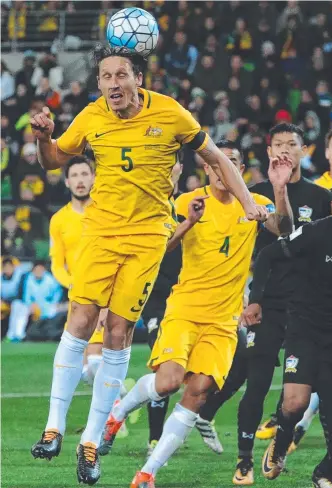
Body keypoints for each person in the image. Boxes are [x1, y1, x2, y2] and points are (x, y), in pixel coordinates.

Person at [30, 45, 267, 486]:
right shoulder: (90, 116)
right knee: (80, 320)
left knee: (119, 332)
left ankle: (92, 440)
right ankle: (54, 427)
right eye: (105, 77)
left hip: (146, 238)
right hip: (100, 231)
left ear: (139, 78)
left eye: (122, 75)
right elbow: (53, 161)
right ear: (98, 82)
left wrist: (249, 201)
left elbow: (216, 157)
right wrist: (44, 137)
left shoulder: (172, 113)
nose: (113, 84)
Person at [98, 139, 293, 488]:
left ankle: (148, 472)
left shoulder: (255, 205)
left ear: (240, 171)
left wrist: (279, 189)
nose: (223, 169)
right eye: (218, 162)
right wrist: (188, 223)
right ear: (207, 167)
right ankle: (116, 414)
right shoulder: (188, 202)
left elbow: (284, 229)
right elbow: (159, 249)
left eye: (232, 163)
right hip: (185, 310)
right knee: (169, 382)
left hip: (222, 320)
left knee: (199, 391)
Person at [196, 123, 332, 486]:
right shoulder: (252, 193)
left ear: (304, 151)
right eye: (278, 144)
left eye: (292, 144)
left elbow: (306, 244)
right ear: (269, 151)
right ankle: (244, 461)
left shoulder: (321, 198)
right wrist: (249, 297)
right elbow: (256, 249)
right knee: (256, 382)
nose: (285, 150)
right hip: (264, 303)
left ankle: (286, 441)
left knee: (314, 386)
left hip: (308, 307)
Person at [243, 175, 332, 488]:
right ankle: (282, 441)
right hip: (306, 328)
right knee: (294, 404)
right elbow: (268, 254)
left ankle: (327, 468)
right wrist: (255, 301)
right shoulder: (314, 232)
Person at [99, 159, 184, 457]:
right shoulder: (139, 207)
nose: (167, 170)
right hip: (153, 298)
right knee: (164, 367)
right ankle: (154, 439)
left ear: (180, 171)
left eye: (172, 166)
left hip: (190, 298)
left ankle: (127, 414)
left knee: (198, 379)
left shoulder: (189, 205)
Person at [49, 156, 106, 385]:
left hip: (104, 299)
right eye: (74, 175)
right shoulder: (59, 220)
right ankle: (122, 401)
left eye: (84, 174)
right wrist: (72, 283)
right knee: (81, 372)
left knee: (94, 363)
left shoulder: (105, 214)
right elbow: (56, 263)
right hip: (77, 301)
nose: (80, 180)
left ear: (93, 178)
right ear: (66, 182)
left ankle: (118, 410)